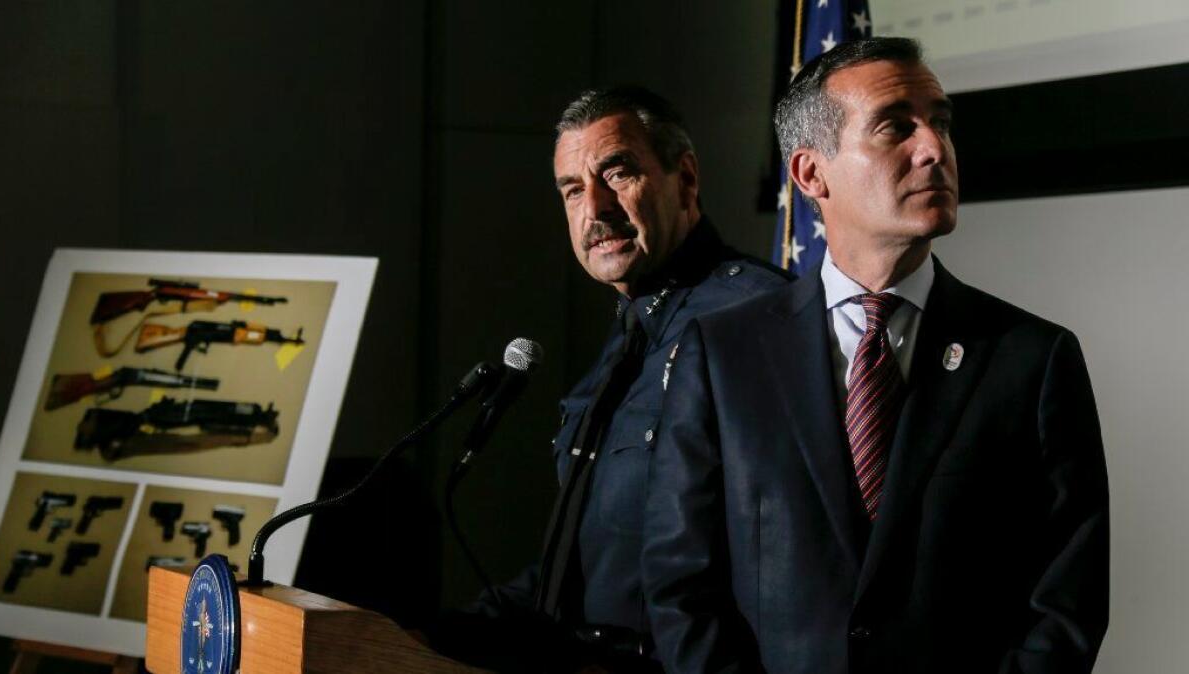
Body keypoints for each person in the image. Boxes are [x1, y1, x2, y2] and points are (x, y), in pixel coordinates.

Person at [642, 38, 1109, 674]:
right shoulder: (722, 356)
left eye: (940, 123)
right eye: (896, 126)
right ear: (811, 173)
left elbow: (1066, 600)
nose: (933, 149)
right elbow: (680, 584)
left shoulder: (1033, 359)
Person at [435, 87, 792, 671]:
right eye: (573, 190)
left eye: (617, 173)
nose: (595, 209)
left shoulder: (757, 317)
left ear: (686, 178)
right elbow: (595, 563)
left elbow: (789, 562)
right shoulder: (625, 339)